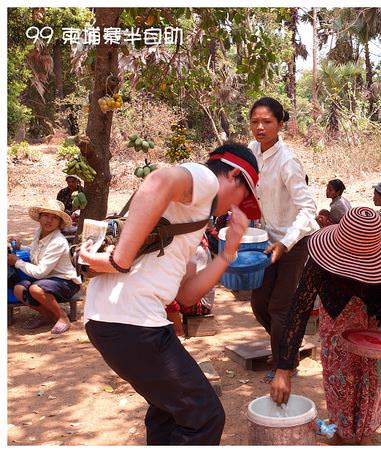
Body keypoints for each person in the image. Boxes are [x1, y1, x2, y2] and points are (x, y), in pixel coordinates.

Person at [79, 142, 261, 445]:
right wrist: (119, 258)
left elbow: (187, 295)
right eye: (244, 196)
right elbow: (158, 181)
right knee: (205, 416)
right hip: (132, 323)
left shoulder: (192, 219)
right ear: (232, 176)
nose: (237, 208)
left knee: (168, 412)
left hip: (117, 322)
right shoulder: (206, 180)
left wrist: (228, 253)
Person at [270, 207, 381, 444]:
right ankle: (343, 434)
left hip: (374, 328)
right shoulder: (321, 258)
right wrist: (283, 368)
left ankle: (363, 433)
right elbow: (299, 308)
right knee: (339, 377)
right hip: (336, 323)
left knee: (370, 382)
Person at [247, 96, 319, 383]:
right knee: (258, 302)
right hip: (266, 240)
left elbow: (309, 208)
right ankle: (288, 343)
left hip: (294, 242)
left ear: (279, 124)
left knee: (279, 307)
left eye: (267, 122)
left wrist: (285, 243)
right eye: (255, 122)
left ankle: (282, 363)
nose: (260, 127)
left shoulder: (288, 161)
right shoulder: (252, 150)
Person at [8, 199, 81, 334]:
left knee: (35, 289)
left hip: (66, 282)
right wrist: (21, 247)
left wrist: (17, 262)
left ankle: (63, 317)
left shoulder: (58, 241)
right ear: (40, 218)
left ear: (59, 223)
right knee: (19, 289)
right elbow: (34, 250)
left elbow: (40, 272)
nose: (49, 220)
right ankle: (47, 315)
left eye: (54, 218)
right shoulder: (39, 232)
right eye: (46, 216)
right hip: (47, 279)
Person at [165, 236, 215, 337]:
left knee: (166, 297)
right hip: (192, 294)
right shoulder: (190, 247)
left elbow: (191, 284)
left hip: (200, 302)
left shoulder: (197, 249)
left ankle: (179, 332)